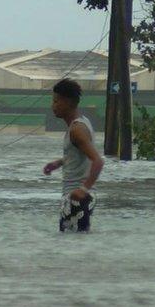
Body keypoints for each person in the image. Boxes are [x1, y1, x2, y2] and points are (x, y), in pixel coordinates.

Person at [43, 78, 104, 232]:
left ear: (68, 102)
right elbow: (79, 155)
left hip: (77, 196)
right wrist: (58, 163)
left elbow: (98, 160)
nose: (53, 106)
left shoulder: (77, 130)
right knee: (74, 243)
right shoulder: (81, 123)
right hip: (77, 196)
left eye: (56, 101)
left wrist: (83, 189)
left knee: (71, 244)